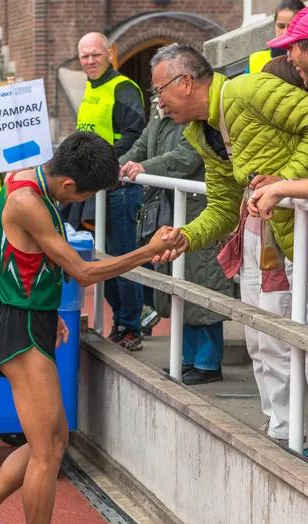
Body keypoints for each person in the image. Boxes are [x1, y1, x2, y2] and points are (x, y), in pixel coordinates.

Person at [0, 131, 179, 524]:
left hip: (30, 317)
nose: (88, 201)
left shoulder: (36, 180)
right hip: (17, 326)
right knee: (48, 449)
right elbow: (83, 271)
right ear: (70, 184)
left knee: (49, 443)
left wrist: (50, 309)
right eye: (89, 193)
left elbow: (33, 256)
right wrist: (149, 251)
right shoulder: (27, 199)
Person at [149, 44, 308, 444]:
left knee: (283, 336)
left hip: (294, 233)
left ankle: (294, 433)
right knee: (261, 336)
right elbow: (222, 205)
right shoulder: (200, 130)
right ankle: (283, 430)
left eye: (159, 92)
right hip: (264, 236)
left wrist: (283, 182)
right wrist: (186, 236)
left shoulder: (248, 91)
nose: (158, 104)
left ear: (185, 82)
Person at [119, 99, 232, 384]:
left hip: (197, 210)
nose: (158, 97)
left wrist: (141, 167)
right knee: (177, 285)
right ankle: (188, 358)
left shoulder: (195, 115)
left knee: (200, 283)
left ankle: (207, 363)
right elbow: (141, 147)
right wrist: (120, 167)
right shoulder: (159, 114)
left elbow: (185, 158)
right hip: (172, 209)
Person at [73, 31, 146, 351]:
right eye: (84, 56)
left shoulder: (123, 88)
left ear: (109, 55)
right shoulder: (91, 89)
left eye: (95, 55)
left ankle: (132, 324)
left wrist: (102, 163)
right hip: (97, 189)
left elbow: (134, 135)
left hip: (119, 190)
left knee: (123, 258)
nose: (90, 61)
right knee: (104, 260)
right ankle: (120, 319)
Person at [246, 0, 305, 73]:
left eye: (291, 27)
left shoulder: (305, 60)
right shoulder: (255, 59)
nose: (285, 33)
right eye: (281, 26)